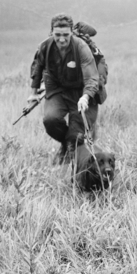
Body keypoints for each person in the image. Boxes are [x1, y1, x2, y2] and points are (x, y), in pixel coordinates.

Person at [28, 13, 100, 164]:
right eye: (57, 35)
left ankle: (70, 156)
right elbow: (37, 68)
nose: (62, 39)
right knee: (50, 120)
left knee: (77, 133)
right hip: (58, 89)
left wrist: (85, 97)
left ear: (72, 33)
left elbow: (92, 77)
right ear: (51, 32)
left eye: (66, 35)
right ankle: (66, 144)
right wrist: (34, 93)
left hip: (81, 91)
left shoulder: (81, 47)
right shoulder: (45, 46)